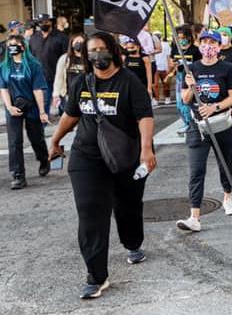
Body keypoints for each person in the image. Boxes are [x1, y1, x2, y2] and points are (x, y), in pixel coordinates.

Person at [47, 32, 155, 299]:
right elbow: (71, 114)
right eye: (92, 50)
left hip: (124, 156)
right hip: (87, 156)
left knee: (127, 205)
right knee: (90, 212)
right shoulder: (83, 82)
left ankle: (132, 243)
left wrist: (146, 149)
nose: (97, 54)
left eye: (102, 49)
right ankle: (96, 276)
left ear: (113, 51)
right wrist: (56, 140)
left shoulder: (129, 81)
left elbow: (144, 116)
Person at [175, 30, 232, 232]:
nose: (208, 46)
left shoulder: (227, 68)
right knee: (196, 169)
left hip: (221, 123)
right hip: (198, 126)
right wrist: (189, 86)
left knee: (224, 161)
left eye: (212, 42)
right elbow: (185, 99)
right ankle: (194, 216)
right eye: (203, 42)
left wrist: (214, 107)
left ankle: (227, 197)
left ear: (219, 46)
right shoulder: (191, 68)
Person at [1, 35, 50, 189]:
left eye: (14, 45)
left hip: (32, 106)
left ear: (22, 46)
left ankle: (44, 159)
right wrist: (9, 107)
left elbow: (37, 89)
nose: (11, 48)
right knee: (14, 142)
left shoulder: (33, 65)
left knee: (36, 138)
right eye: (9, 45)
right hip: (14, 106)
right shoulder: (4, 67)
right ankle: (18, 176)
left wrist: (42, 111)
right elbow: (3, 88)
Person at [28, 13, 69, 115]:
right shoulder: (34, 38)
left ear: (50, 22)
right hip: (40, 76)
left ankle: (66, 117)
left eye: (46, 22)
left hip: (57, 75)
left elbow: (67, 57)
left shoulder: (61, 37)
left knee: (61, 99)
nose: (43, 24)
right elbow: (30, 56)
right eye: (41, 22)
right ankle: (43, 122)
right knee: (44, 101)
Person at [169, 26, 201, 134]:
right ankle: (186, 123)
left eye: (182, 37)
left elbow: (199, 65)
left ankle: (190, 124)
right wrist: (173, 64)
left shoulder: (195, 50)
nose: (180, 39)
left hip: (189, 78)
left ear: (188, 37)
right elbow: (171, 61)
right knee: (179, 104)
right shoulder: (174, 48)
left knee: (187, 102)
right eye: (178, 37)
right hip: (179, 77)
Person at [53, 34, 87, 115]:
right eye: (76, 41)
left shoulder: (88, 59)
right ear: (71, 44)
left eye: (81, 42)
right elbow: (59, 78)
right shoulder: (65, 59)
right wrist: (56, 94)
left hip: (85, 94)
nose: (79, 43)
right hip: (68, 94)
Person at [120, 35, 153, 102]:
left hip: (142, 84)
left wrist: (149, 88)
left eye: (132, 47)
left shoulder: (144, 58)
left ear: (138, 47)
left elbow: (149, 74)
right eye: (128, 48)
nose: (130, 49)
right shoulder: (124, 57)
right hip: (128, 85)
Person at [152, 32, 171, 105]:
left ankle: (167, 97)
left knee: (166, 84)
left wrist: (169, 67)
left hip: (164, 67)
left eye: (158, 36)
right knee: (155, 84)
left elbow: (168, 56)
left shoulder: (166, 45)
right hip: (155, 67)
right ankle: (156, 99)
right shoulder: (151, 45)